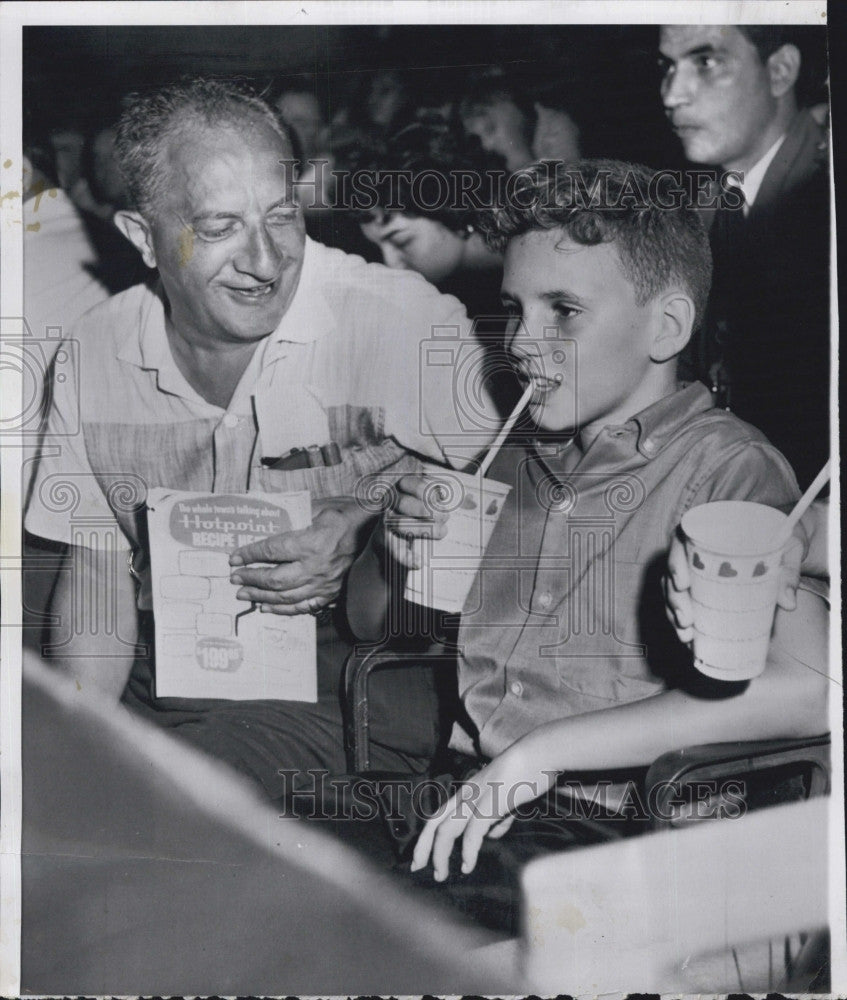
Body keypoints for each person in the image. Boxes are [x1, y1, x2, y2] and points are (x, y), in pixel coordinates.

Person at [345, 159, 828, 926]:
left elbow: (808, 689)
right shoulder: (507, 459)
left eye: (563, 310)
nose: (523, 344)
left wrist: (541, 753)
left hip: (607, 826)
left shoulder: (727, 468)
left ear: (666, 326)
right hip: (464, 793)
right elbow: (370, 625)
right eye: (514, 309)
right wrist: (390, 546)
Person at [25, 78, 500, 800]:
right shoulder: (93, 352)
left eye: (282, 217)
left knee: (173, 804)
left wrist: (365, 520)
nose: (266, 261)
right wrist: (81, 747)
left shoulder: (401, 322)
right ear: (141, 239)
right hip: (169, 668)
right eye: (219, 229)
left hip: (350, 686)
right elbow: (96, 577)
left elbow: (533, 501)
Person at [658, 25, 830, 489]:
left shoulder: (825, 198)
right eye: (668, 67)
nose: (672, 94)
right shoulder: (704, 207)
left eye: (706, 62)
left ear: (779, 71)